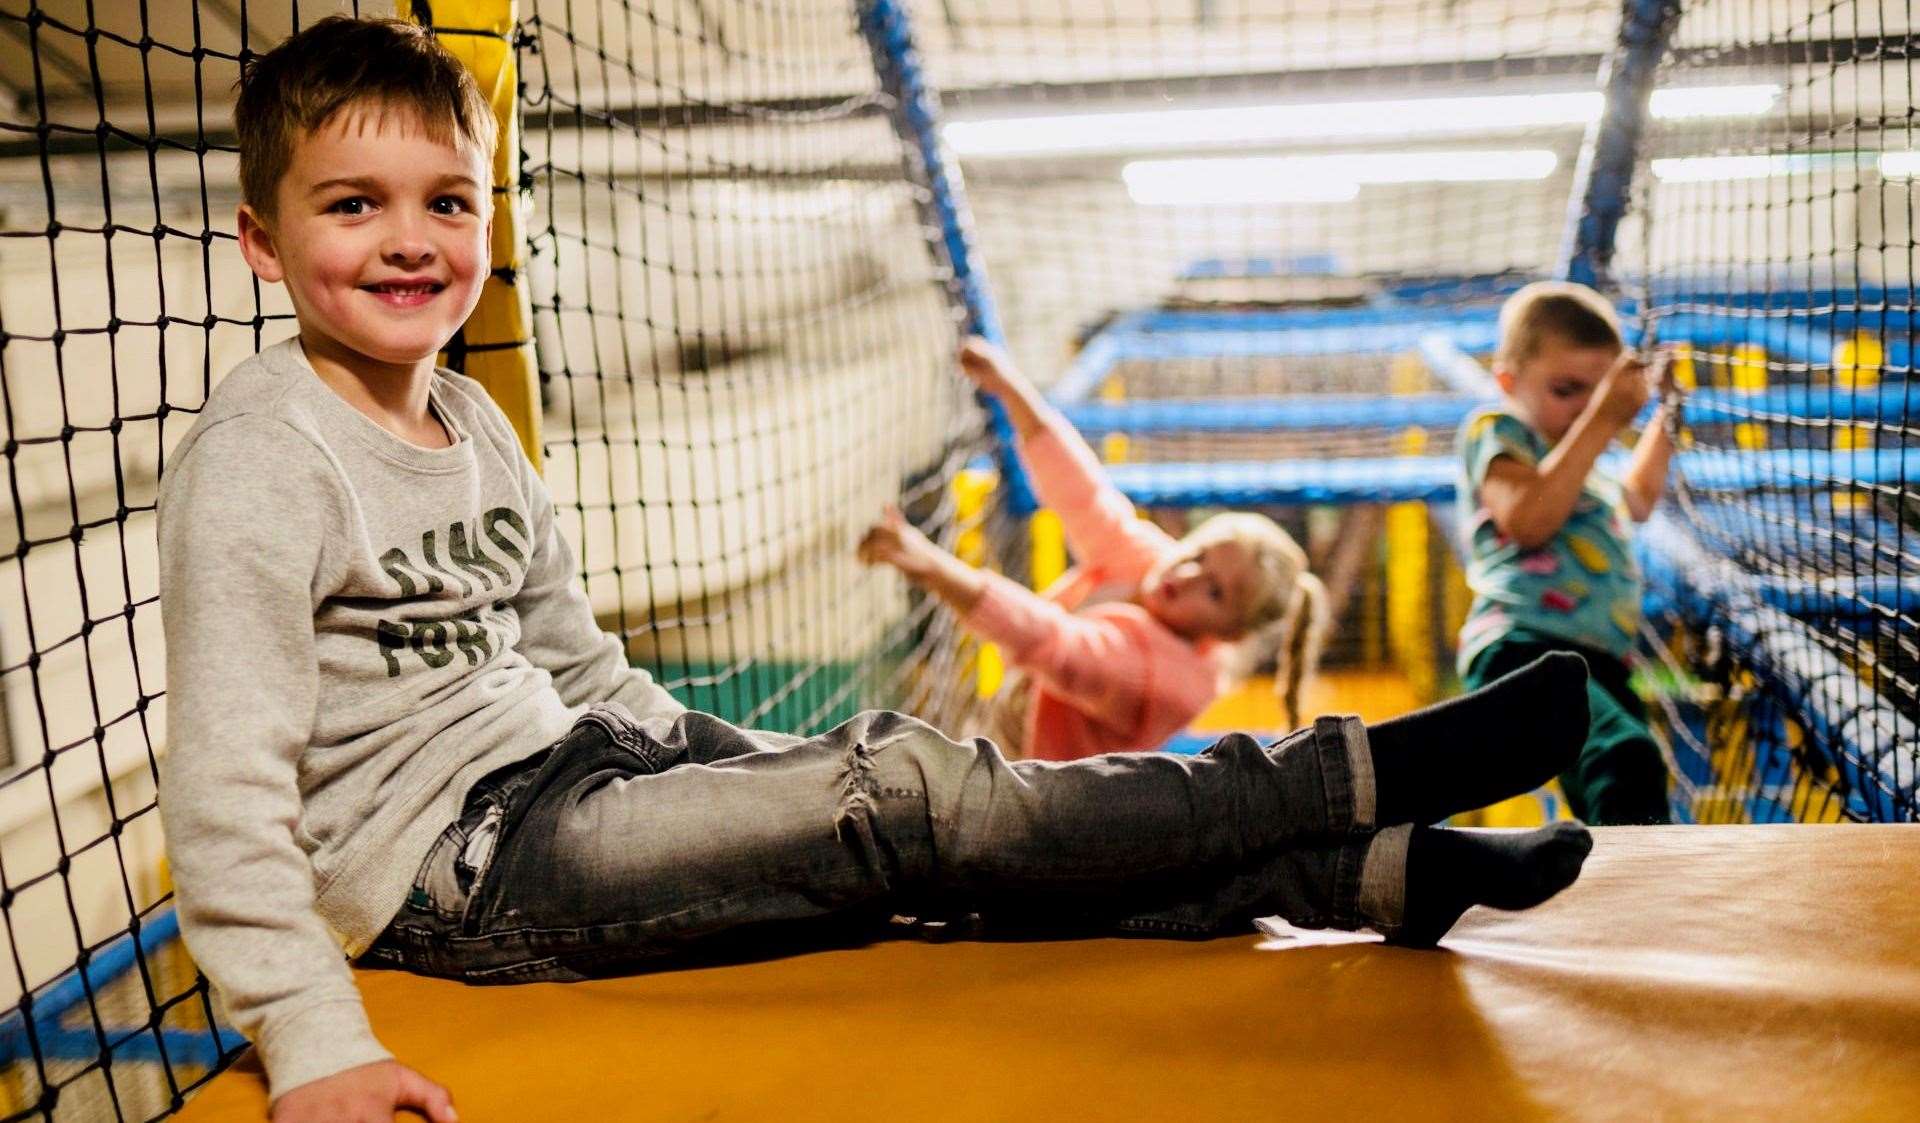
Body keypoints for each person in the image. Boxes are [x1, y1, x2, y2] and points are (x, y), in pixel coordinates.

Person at [159, 18, 1597, 1122]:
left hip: (571, 765)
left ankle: (1368, 873)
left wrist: (697, 750)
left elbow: (569, 646)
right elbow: (223, 786)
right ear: (264, 243)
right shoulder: (264, 459)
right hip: (454, 871)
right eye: (353, 205)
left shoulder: (467, 418)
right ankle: (1348, 780)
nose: (410, 239)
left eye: (447, 202)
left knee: (907, 841)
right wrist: (313, 1036)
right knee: (907, 792)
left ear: (486, 220)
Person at [860, 338, 1328, 760]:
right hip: (1014, 722)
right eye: (1199, 554)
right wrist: (1011, 387)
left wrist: (929, 565)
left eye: (1214, 593)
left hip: (1046, 791)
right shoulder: (1151, 562)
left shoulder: (1169, 682)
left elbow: (1057, 645)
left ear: (1226, 635)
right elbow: (1085, 497)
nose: (1184, 576)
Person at [1454, 280, 1678, 825]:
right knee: (1625, 758)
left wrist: (1666, 412)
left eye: (1599, 394)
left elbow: (1640, 498)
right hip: (1523, 651)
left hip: (1598, 663)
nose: (1585, 410)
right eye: (1568, 390)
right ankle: (1640, 902)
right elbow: (1528, 520)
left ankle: (1618, 888)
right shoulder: (1500, 431)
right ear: (1508, 380)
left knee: (1633, 776)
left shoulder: (1585, 468)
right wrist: (1603, 419)